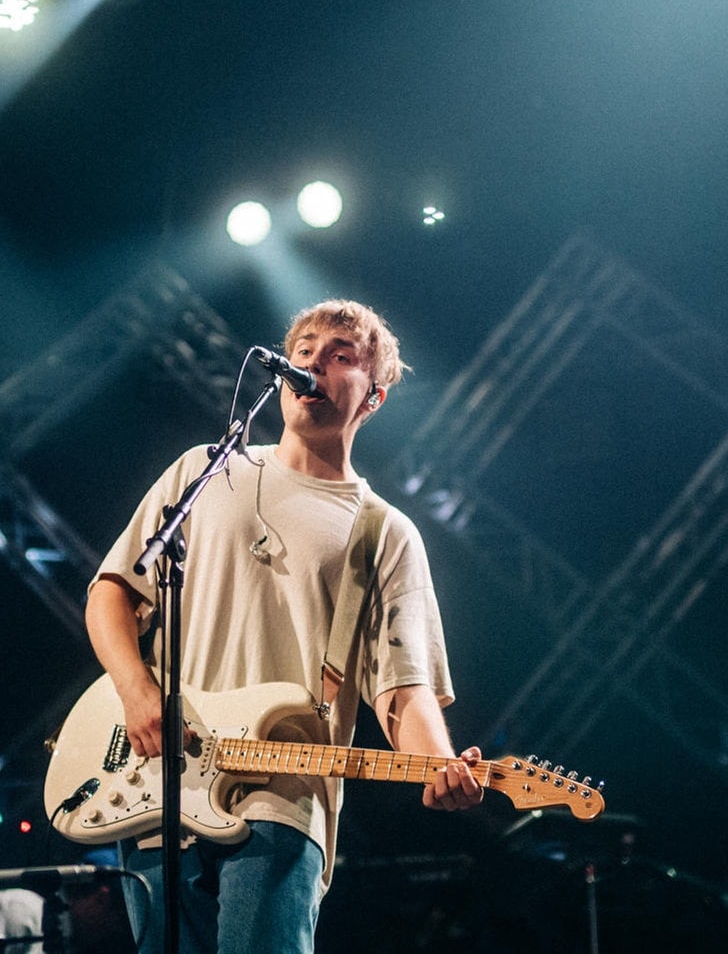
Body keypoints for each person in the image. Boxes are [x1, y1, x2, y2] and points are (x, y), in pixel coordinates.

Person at [83, 299, 485, 954]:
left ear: (373, 397)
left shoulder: (384, 533)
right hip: (160, 782)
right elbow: (111, 592)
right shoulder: (203, 471)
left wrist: (440, 764)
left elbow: (403, 686)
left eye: (340, 356)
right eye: (303, 351)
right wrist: (138, 694)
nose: (313, 363)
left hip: (285, 796)